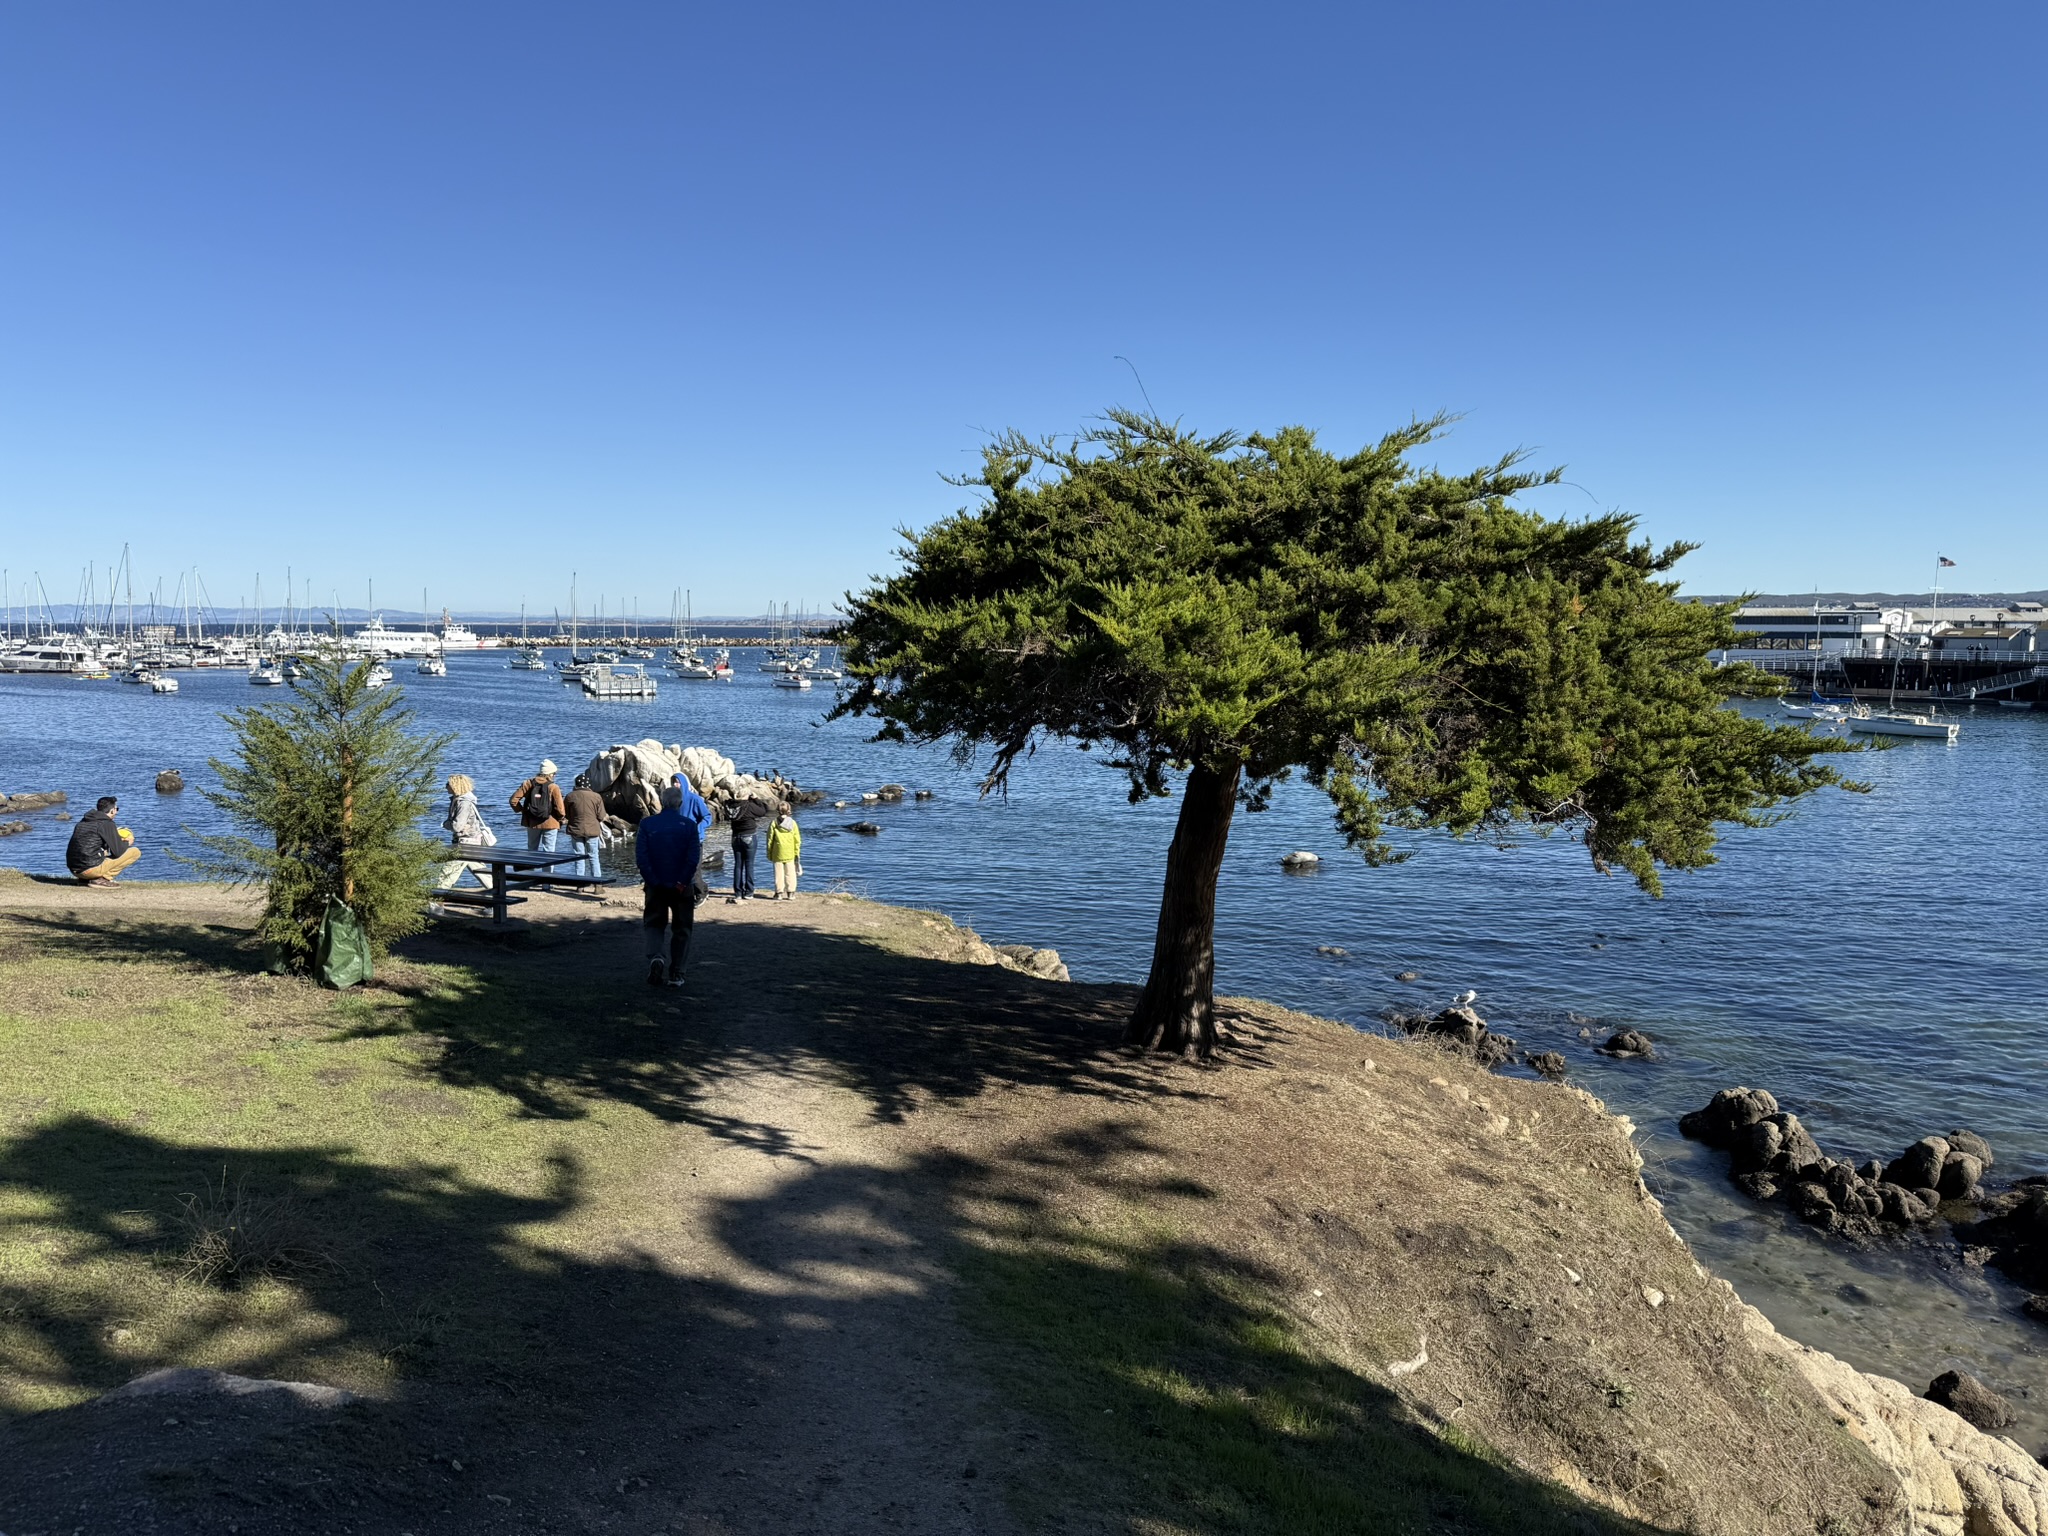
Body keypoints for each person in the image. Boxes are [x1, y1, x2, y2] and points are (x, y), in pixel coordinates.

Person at [636, 783, 705, 988]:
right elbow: (693, 859)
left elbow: (642, 857)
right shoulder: (689, 826)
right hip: (682, 887)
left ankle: (657, 957)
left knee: (654, 924)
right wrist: (682, 881)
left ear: (661, 802)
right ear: (680, 803)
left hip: (655, 885)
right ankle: (677, 973)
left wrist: (653, 880)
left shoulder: (647, 825)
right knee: (682, 929)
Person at [66, 796, 141, 886]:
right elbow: (118, 852)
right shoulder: (107, 823)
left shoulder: (83, 822)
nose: (116, 811)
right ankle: (102, 879)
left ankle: (85, 879)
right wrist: (128, 842)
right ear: (112, 810)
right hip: (90, 870)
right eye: (117, 809)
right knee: (135, 852)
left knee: (101, 852)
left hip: (74, 869)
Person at [438, 773, 495, 889]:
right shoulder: (461, 800)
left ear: (455, 786)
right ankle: (496, 898)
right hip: (472, 842)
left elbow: (458, 826)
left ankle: (436, 903)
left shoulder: (464, 803)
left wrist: (445, 824)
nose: (445, 787)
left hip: (465, 843)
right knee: (481, 872)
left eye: (448, 784)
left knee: (447, 874)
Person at [509, 759, 566, 852]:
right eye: (554, 773)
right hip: (551, 823)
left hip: (532, 822)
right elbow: (560, 809)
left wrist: (523, 811)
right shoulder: (553, 787)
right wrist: (561, 818)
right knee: (549, 852)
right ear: (550, 774)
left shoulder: (528, 783)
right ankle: (547, 867)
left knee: (531, 850)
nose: (555, 776)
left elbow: (513, 800)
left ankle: (531, 867)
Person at [726, 795, 773, 902]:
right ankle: (749, 891)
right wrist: (756, 799)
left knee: (738, 865)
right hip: (749, 836)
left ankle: (738, 892)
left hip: (735, 836)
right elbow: (763, 811)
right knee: (749, 864)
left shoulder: (730, 806)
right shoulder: (749, 806)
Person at [563, 772, 608, 880]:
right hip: (592, 830)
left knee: (579, 857)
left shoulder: (570, 796)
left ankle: (580, 883)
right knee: (594, 856)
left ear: (576, 784)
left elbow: (566, 815)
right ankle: (597, 883)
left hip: (576, 830)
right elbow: (601, 816)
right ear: (588, 785)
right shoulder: (596, 797)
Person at [766, 801, 802, 900]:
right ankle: (791, 893)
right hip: (790, 851)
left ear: (778, 810)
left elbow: (770, 839)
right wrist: (797, 852)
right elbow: (797, 840)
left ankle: (779, 893)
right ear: (788, 810)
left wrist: (769, 852)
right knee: (790, 873)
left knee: (778, 874)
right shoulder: (793, 823)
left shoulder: (774, 823)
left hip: (777, 852)